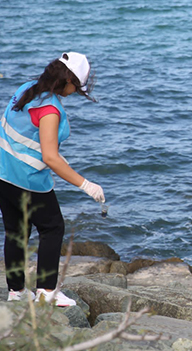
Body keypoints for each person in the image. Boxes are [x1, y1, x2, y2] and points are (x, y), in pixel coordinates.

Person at [1, 52, 105, 307]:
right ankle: (46, 292)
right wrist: (86, 184)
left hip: (3, 175)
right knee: (52, 227)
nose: (75, 91)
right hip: (29, 181)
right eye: (76, 86)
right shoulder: (50, 110)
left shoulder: (28, 89)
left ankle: (16, 292)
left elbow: (26, 136)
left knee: (16, 232)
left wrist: (58, 159)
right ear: (67, 81)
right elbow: (50, 157)